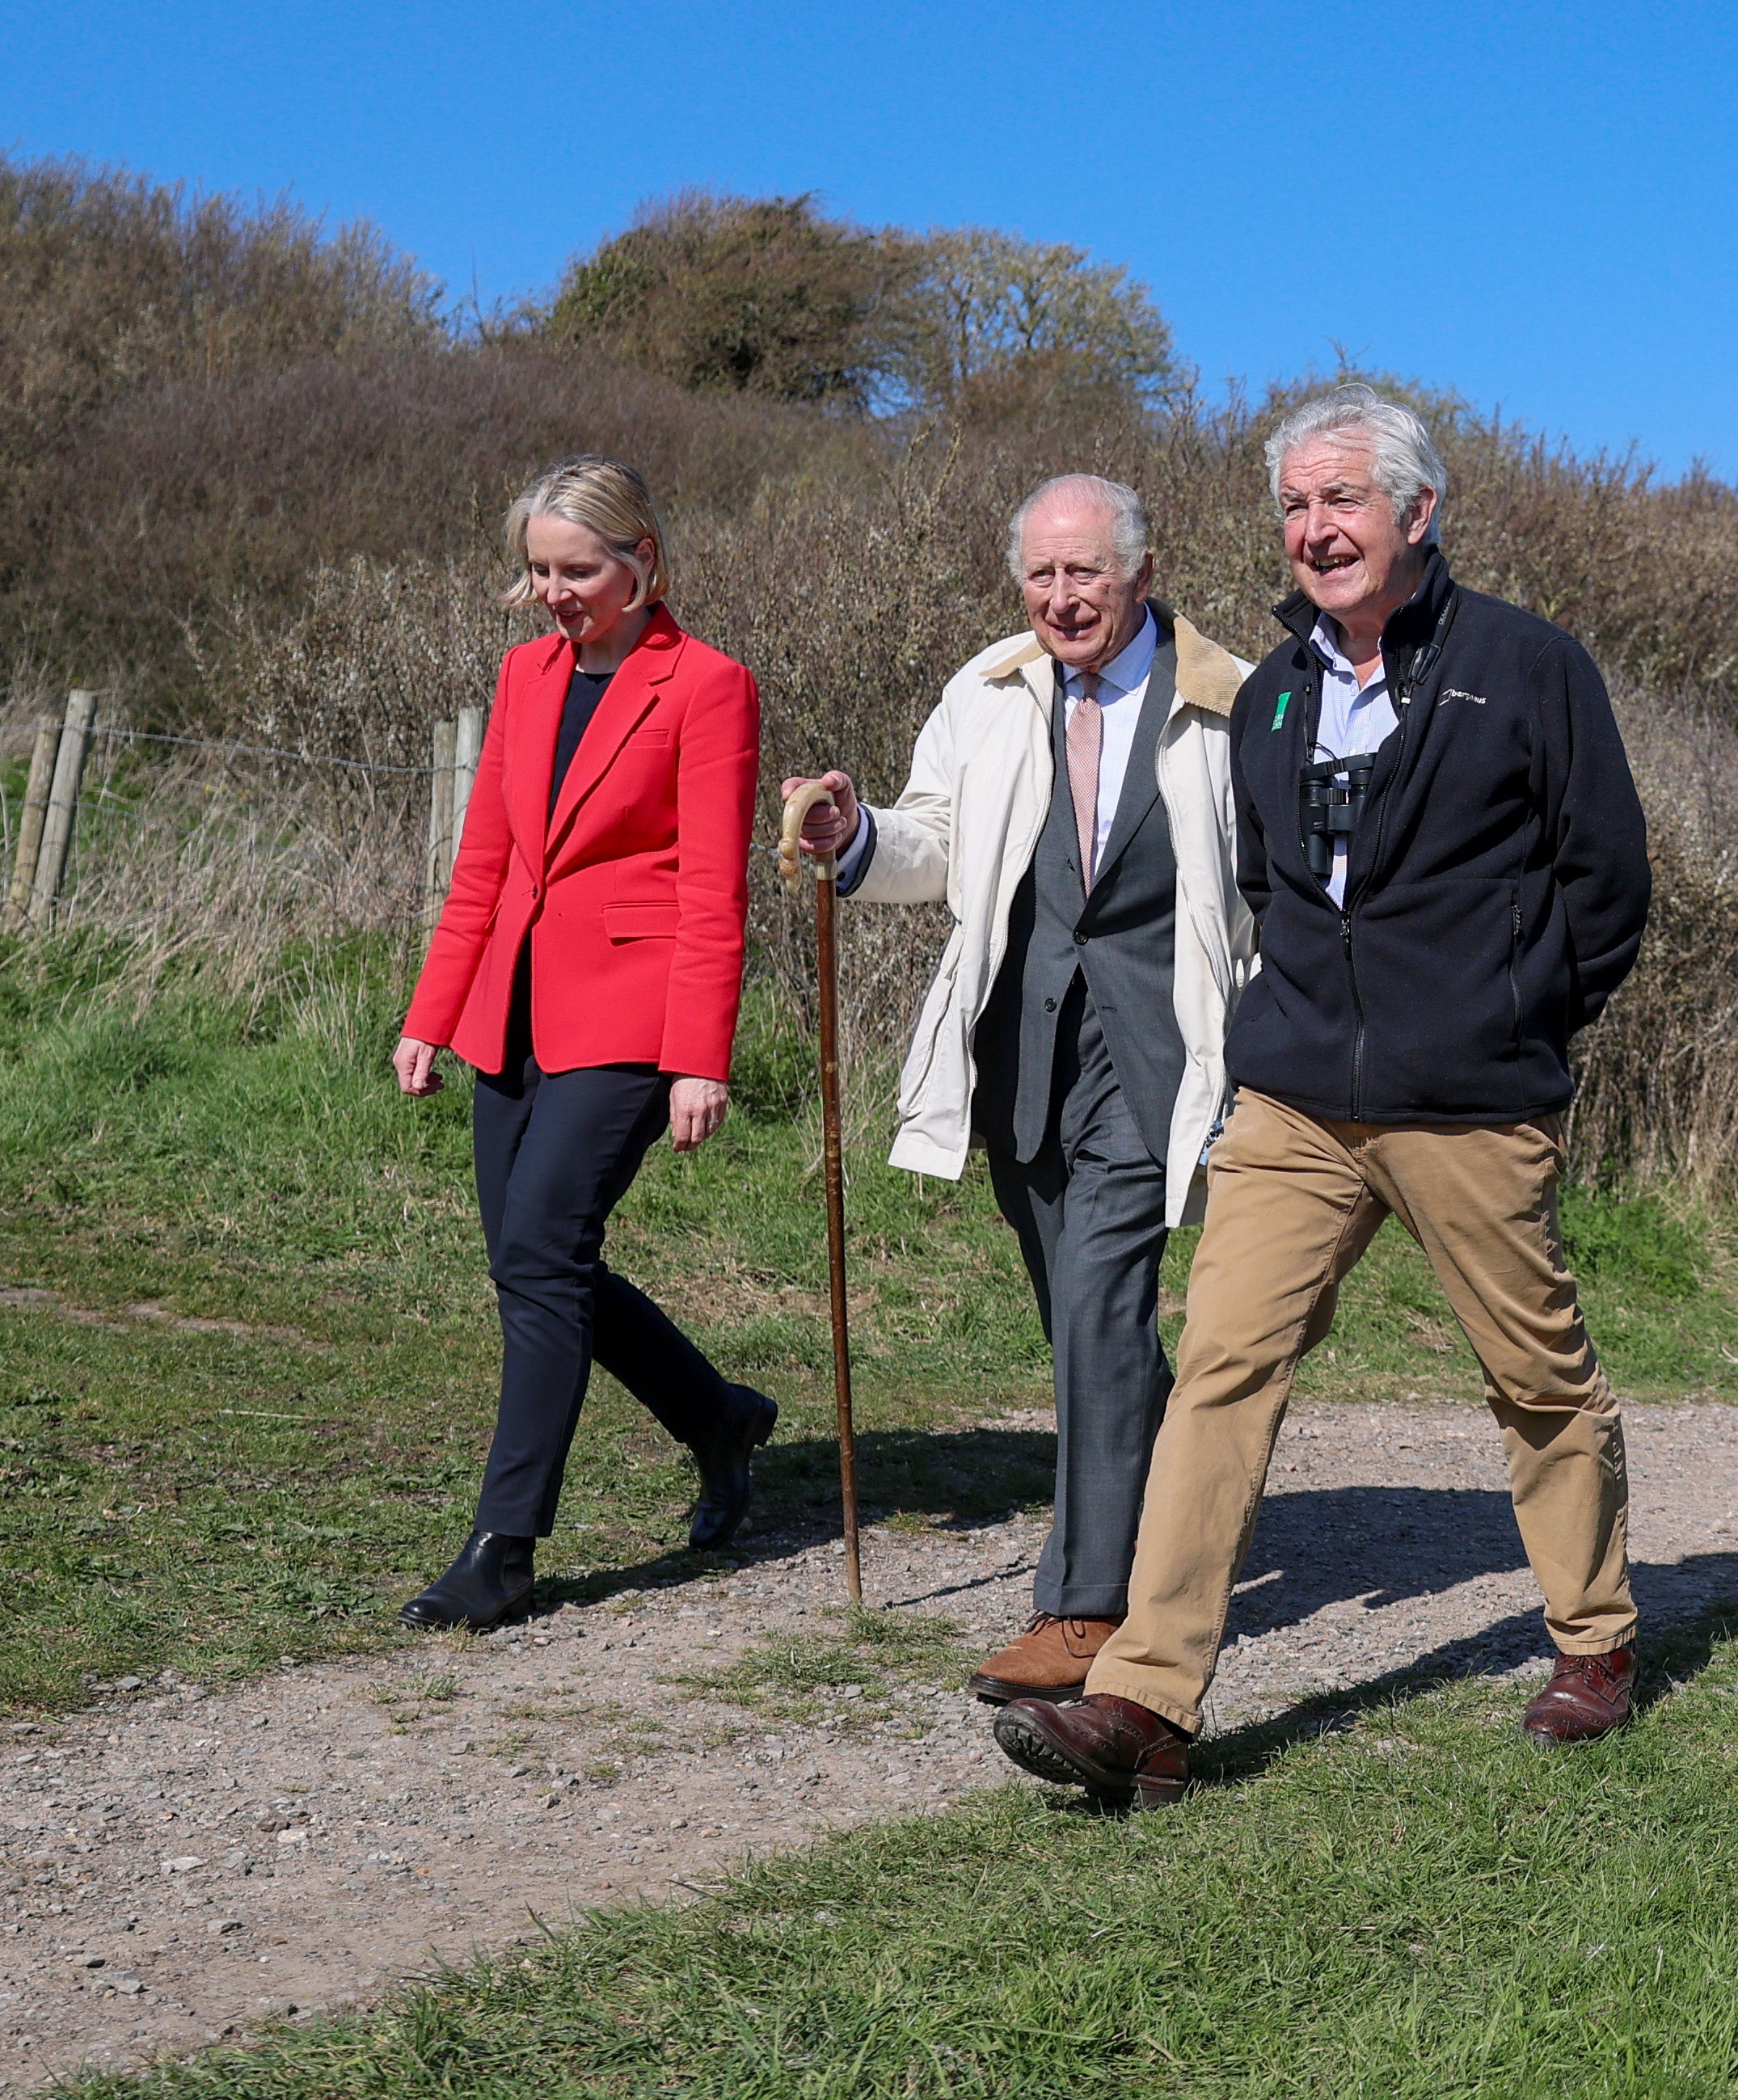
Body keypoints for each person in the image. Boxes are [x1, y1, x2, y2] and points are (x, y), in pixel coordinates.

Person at [989, 386, 1654, 1807]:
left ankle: (1595, 1640)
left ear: (1419, 510)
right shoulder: (1273, 692)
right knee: (1221, 1370)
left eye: (1343, 498)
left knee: (1534, 1375)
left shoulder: (1528, 665)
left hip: (1468, 1100)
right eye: (1295, 505)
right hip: (1293, 1098)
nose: (1316, 528)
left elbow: (1607, 883)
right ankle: (1146, 1700)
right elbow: (1268, 885)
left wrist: (1511, 1017)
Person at [783, 473, 1256, 1707]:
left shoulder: (1231, 702)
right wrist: (858, 837)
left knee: (1099, 1298)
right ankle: (1185, 1498)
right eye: (1041, 575)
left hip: (1163, 1055)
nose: (1061, 596)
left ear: (1142, 572)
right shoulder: (987, 692)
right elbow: (940, 840)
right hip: (1020, 1050)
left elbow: (1268, 893)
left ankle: (1086, 1603)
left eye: (1084, 571)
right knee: (1081, 1315)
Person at [389, 457, 775, 1631]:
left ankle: (503, 1547)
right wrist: (432, 1011)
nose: (555, 593)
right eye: (539, 571)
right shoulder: (524, 675)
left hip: (631, 1013)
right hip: (508, 1004)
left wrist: (700, 1055)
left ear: (640, 558)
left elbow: (712, 888)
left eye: (577, 571)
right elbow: (485, 863)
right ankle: (717, 1417)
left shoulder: (709, 685)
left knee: (544, 1249)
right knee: (533, 1261)